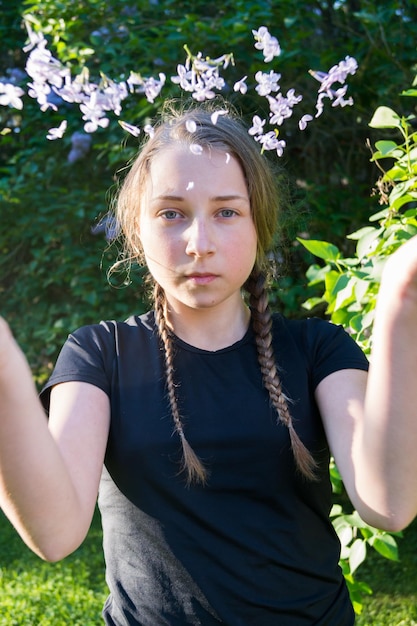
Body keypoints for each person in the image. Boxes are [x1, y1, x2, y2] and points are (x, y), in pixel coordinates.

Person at [0, 104, 416, 626]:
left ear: (259, 225)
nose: (200, 244)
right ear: (137, 231)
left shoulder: (318, 350)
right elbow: (55, 532)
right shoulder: (99, 355)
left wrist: (404, 297)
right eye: (171, 213)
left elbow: (389, 503)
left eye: (227, 212)